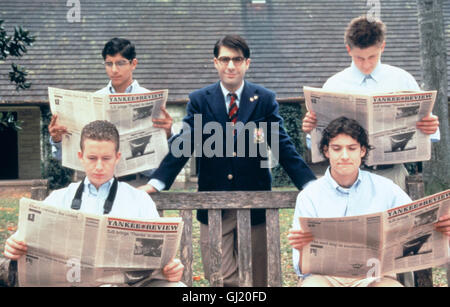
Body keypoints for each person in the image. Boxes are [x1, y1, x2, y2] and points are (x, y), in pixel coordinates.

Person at [139, 34, 317, 286]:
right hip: (214, 204)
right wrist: (157, 182)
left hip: (255, 204)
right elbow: (185, 142)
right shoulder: (200, 100)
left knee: (258, 278)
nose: (230, 65)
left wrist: (310, 185)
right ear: (215, 63)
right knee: (221, 277)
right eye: (224, 59)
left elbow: (282, 145)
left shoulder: (264, 99)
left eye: (237, 59)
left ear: (247, 63)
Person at [4, 120, 185, 287]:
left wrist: (171, 269)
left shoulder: (139, 200)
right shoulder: (59, 198)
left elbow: (160, 259)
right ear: (81, 156)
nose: (99, 166)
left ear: (117, 157)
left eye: (106, 158)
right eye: (92, 158)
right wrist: (13, 245)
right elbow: (22, 240)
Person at [288, 116, 450, 287]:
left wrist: (441, 226)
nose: (344, 156)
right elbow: (302, 269)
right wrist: (301, 249)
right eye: (336, 149)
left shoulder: (386, 188)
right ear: (327, 151)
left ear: (362, 151)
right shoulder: (309, 195)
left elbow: (418, 223)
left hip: (375, 277)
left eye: (352, 148)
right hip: (325, 277)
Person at [301, 16, 440, 191]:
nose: (366, 64)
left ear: (383, 47)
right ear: (348, 50)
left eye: (372, 56)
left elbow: (431, 135)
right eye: (359, 58)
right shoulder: (334, 85)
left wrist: (430, 127)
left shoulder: (402, 80)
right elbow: (315, 143)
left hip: (392, 175)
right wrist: (312, 128)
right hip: (347, 178)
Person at [48, 38, 173, 178]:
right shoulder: (94, 100)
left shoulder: (151, 100)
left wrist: (167, 134)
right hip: (100, 183)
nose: (114, 70)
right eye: (109, 64)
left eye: (120, 63)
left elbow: (166, 161)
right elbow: (62, 157)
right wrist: (57, 139)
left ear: (133, 64)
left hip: (140, 184)